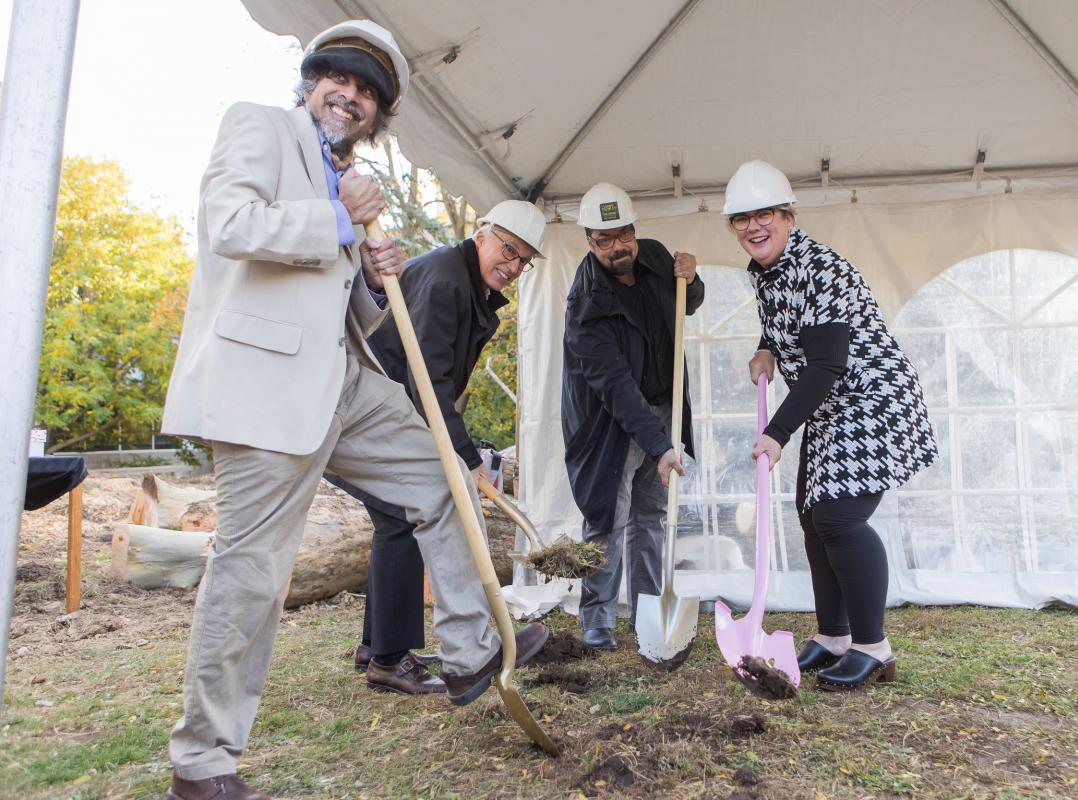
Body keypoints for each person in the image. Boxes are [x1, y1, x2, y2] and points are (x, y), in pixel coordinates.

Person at [159, 21, 546, 799]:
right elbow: (227, 226)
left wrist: (370, 276)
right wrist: (338, 220)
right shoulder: (260, 126)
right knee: (252, 575)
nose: (352, 98)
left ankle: (471, 651)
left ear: (377, 116)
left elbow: (345, 310)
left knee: (443, 475)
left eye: (369, 94)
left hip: (344, 383)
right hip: (265, 390)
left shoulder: (351, 178)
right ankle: (202, 763)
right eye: (341, 80)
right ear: (311, 82)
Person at [722, 160, 938, 691]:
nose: (754, 226)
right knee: (813, 516)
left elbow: (826, 363)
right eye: (742, 218)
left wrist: (776, 432)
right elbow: (787, 323)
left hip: (868, 399)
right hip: (828, 405)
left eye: (765, 214)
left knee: (839, 517)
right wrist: (766, 347)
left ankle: (874, 647)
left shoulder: (819, 268)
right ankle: (835, 635)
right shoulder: (768, 270)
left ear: (789, 216)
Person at [329, 199, 544, 695]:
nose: (511, 266)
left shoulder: (466, 283)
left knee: (398, 518)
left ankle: (378, 646)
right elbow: (428, 381)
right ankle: (389, 658)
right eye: (507, 250)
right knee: (404, 516)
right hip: (360, 411)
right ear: (483, 233)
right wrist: (465, 459)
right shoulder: (447, 278)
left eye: (522, 260)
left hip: (384, 410)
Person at [561, 182, 704, 651]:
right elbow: (616, 387)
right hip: (612, 421)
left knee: (652, 514)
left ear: (634, 231)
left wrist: (692, 280)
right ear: (589, 241)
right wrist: (660, 444)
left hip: (662, 405)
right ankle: (597, 619)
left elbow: (684, 306)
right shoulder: (586, 306)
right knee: (609, 515)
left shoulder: (657, 258)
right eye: (605, 240)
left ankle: (647, 609)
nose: (618, 248)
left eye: (624, 235)